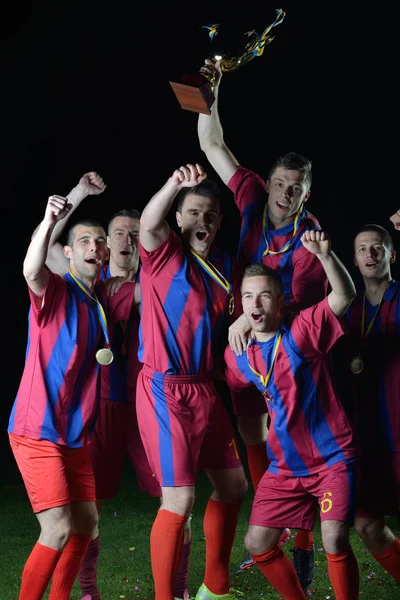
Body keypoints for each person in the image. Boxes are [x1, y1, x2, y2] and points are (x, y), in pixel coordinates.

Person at [197, 59, 326, 584]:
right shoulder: (250, 195)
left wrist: (254, 325)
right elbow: (211, 145)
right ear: (269, 182)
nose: (284, 193)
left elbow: (301, 315)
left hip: (288, 346)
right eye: (280, 183)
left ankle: (303, 537)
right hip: (241, 344)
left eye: (296, 188)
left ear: (306, 193)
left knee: (290, 436)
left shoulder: (308, 238)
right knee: (251, 428)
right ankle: (271, 521)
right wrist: (213, 93)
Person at [44, 177, 192, 600]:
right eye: (118, 233)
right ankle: (88, 591)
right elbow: (52, 244)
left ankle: (178, 590)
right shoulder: (87, 279)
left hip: (153, 403)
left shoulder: (158, 279)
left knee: (178, 498)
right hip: (99, 406)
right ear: (105, 244)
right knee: (89, 510)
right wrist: (77, 195)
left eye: (134, 231)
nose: (127, 239)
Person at [8, 190, 137, 600]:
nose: (95, 246)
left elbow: (151, 293)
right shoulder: (56, 290)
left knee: (85, 526)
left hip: (76, 435)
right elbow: (31, 268)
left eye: (100, 241)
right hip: (37, 430)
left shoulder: (103, 297)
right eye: (84, 240)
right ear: (65, 253)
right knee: (59, 528)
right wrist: (48, 222)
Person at [224, 230, 360, 600]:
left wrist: (325, 257)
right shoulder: (237, 353)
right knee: (256, 542)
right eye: (248, 296)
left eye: (265, 295)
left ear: (280, 302)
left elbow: (344, 296)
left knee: (333, 537)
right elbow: (239, 392)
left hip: (331, 458)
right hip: (285, 468)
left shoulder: (302, 331)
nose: (256, 303)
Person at [138, 162, 248, 600]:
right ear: (179, 218)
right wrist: (172, 184)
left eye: (212, 215)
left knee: (234, 485)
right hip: (165, 389)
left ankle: (214, 587)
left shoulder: (224, 263)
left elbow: (248, 308)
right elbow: (148, 222)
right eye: (195, 212)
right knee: (179, 501)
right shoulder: (164, 252)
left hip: (205, 386)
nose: (204, 221)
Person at [345, 220, 400, 582]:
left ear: (392, 254)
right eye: (363, 248)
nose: (371, 253)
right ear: (353, 258)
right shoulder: (349, 309)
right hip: (370, 439)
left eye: (378, 246)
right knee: (366, 524)